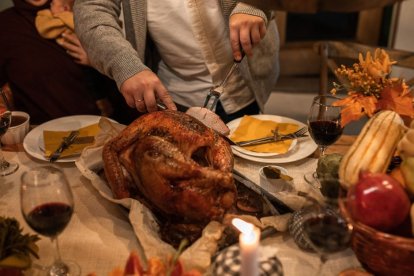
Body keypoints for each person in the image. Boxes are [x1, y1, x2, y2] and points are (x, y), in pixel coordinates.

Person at [73, 0, 280, 123]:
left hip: (247, 82)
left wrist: (254, 3)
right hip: (175, 94)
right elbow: (91, 9)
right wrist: (125, 65)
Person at [0, 0, 139, 125]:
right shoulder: (7, 26)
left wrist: (99, 58)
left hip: (113, 125)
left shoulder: (86, 8)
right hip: (42, 139)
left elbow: (130, 72)